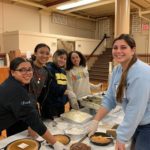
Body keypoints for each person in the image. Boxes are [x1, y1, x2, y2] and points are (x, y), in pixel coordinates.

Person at [87, 34, 150, 150]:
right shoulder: (117, 70)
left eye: (123, 47)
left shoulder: (141, 72)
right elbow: (110, 98)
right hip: (136, 123)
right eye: (115, 48)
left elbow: (135, 109)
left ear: (133, 50)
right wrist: (96, 120)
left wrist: (121, 137)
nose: (118, 51)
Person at [0, 57, 67, 150]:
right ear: (12, 72)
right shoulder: (15, 89)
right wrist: (55, 143)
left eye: (29, 69)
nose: (27, 73)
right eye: (22, 70)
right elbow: (33, 119)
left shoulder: (15, 83)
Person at [41, 49, 68, 119]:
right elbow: (51, 87)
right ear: (55, 57)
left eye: (65, 59)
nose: (63, 60)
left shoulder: (63, 71)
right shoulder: (48, 69)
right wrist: (65, 91)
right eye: (61, 57)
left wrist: (65, 99)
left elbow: (64, 85)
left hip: (60, 104)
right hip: (50, 105)